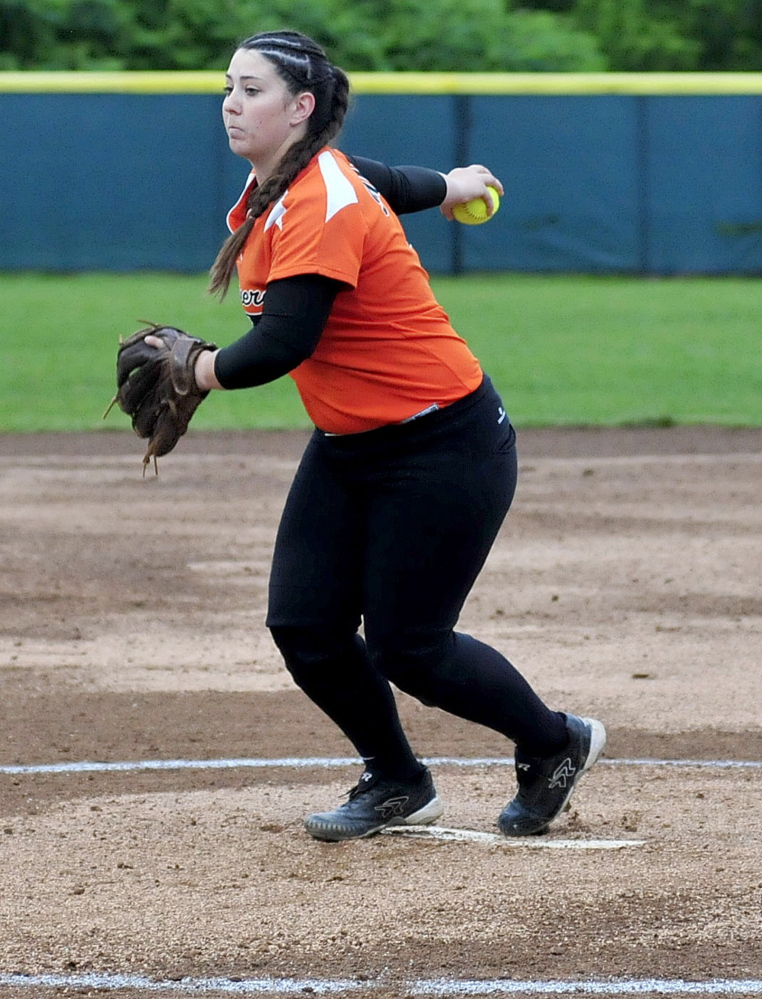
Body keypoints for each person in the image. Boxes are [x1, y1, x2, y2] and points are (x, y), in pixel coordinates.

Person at [171, 29, 606, 841]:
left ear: (301, 108)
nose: (232, 102)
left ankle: (554, 741)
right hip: (349, 444)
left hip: (444, 444)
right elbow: (385, 178)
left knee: (410, 645)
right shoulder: (297, 178)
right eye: (229, 86)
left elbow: (282, 344)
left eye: (253, 89)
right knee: (304, 624)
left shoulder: (317, 200)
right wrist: (450, 185)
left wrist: (192, 368)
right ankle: (399, 780)